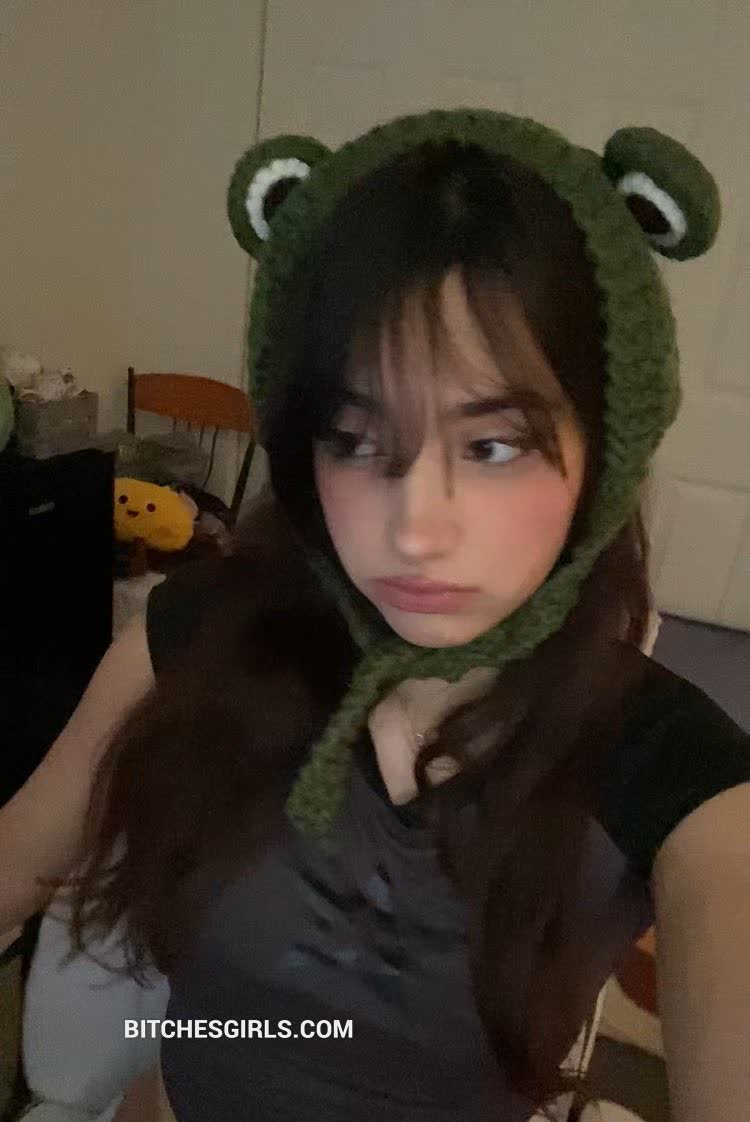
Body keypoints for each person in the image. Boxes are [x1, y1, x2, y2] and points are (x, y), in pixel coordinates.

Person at [1, 109, 749, 1122]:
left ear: (604, 451)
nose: (416, 530)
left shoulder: (676, 776)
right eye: (357, 439)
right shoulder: (197, 641)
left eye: (492, 446)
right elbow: (14, 865)